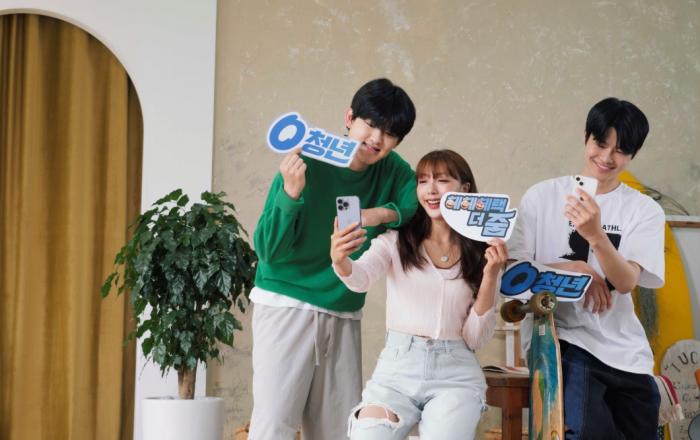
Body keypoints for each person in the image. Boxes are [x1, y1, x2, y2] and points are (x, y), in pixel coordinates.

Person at [249, 78, 418, 440]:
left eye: (390, 133)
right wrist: (290, 193)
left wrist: (378, 214)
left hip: (343, 310)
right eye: (370, 124)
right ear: (349, 118)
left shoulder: (393, 171)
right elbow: (267, 250)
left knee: (339, 429)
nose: (377, 138)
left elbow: (416, 205)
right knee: (274, 424)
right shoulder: (306, 157)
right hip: (286, 302)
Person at [508, 97, 664, 439]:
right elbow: (514, 270)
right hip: (564, 339)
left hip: (626, 350)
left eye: (620, 150)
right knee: (584, 431)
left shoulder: (644, 210)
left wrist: (596, 236)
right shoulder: (542, 196)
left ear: (634, 153)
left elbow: (626, 282)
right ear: (586, 137)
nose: (606, 157)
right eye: (600, 143)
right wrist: (576, 268)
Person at [331, 149, 509, 439]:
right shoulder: (396, 241)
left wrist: (491, 275)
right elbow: (360, 278)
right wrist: (340, 259)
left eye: (442, 180)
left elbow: (475, 337)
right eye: (423, 181)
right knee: (368, 433)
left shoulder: (484, 252)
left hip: (456, 376)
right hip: (396, 373)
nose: (431, 190)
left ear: (465, 189)